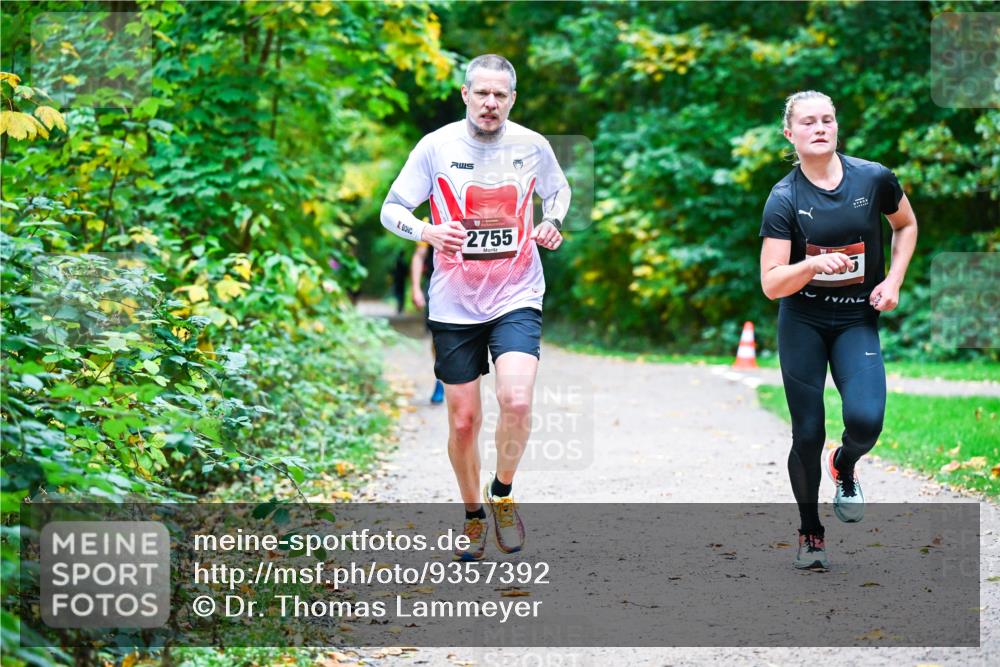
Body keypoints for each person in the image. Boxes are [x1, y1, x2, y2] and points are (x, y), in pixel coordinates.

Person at [380, 54, 570, 561]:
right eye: (481, 93)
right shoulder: (436, 146)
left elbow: (559, 192)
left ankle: (502, 492)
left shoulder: (532, 146)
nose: (490, 103)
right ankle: (471, 515)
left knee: (518, 401)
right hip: (453, 302)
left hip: (516, 293)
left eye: (500, 95)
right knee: (463, 421)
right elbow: (391, 209)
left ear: (511, 99)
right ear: (465, 94)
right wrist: (425, 230)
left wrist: (551, 221)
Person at [759, 91, 918, 570]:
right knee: (807, 433)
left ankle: (845, 464)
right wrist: (810, 265)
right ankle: (810, 533)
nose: (820, 127)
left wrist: (892, 280)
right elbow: (771, 284)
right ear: (791, 134)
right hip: (803, 322)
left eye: (827, 119)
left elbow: (906, 226)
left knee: (867, 420)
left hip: (855, 320)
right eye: (808, 122)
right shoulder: (784, 198)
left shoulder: (873, 178)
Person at [410, 241, 444, 404]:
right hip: (438, 286)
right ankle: (441, 379)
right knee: (438, 337)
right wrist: (415, 288)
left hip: (472, 285)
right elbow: (419, 255)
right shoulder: (430, 220)